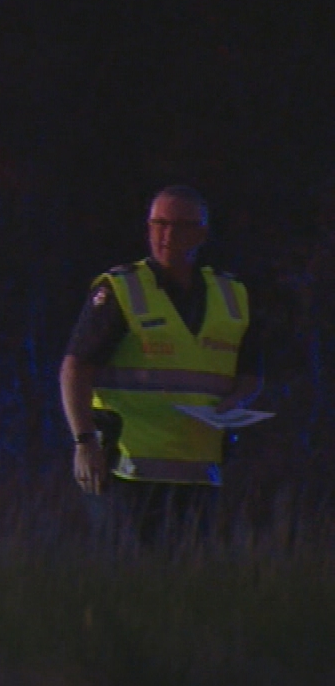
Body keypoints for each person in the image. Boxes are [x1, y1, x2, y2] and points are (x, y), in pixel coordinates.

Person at [58, 185, 263, 549]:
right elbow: (75, 368)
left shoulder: (232, 295)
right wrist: (84, 442)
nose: (167, 236)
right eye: (159, 224)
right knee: (131, 584)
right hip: (127, 468)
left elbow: (251, 373)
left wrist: (236, 402)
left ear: (201, 234)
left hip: (200, 469)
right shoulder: (122, 289)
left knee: (187, 587)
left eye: (180, 226)